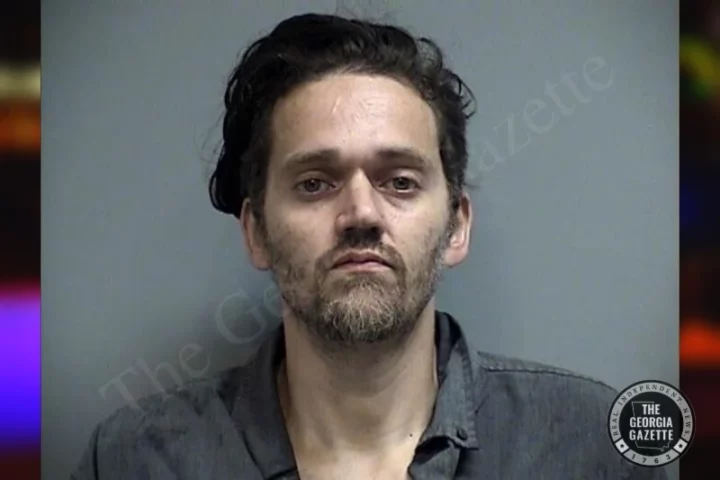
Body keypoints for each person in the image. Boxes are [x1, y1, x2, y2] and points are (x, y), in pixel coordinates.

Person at [71, 13, 669, 479]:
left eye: (400, 182)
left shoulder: (592, 445)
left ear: (457, 227)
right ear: (255, 232)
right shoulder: (134, 460)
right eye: (315, 183)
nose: (361, 213)